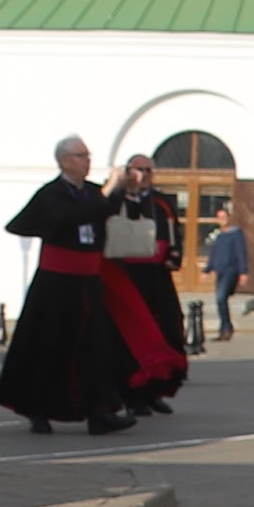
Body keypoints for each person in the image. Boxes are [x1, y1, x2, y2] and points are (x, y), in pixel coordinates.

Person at [0, 135, 154, 435]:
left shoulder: (91, 192)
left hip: (88, 282)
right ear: (65, 161)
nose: (87, 161)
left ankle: (99, 413)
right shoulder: (51, 194)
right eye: (81, 155)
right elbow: (74, 216)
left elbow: (108, 211)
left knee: (97, 347)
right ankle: (39, 410)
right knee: (49, 346)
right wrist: (107, 192)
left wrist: (126, 189)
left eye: (88, 155)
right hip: (55, 284)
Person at [100, 155, 191, 410]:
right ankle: (130, 395)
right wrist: (120, 189)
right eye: (138, 170)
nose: (143, 175)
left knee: (167, 330)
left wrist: (174, 256)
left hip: (156, 277)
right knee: (129, 335)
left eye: (148, 170)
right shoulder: (114, 199)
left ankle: (154, 391)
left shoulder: (160, 201)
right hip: (125, 275)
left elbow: (173, 231)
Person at [197, 202, 252, 339]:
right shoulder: (219, 236)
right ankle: (224, 329)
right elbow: (214, 255)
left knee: (221, 298)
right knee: (220, 301)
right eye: (219, 218)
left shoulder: (236, 233)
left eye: (224, 217)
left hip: (230, 270)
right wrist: (206, 270)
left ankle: (227, 328)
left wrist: (243, 272)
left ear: (229, 218)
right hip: (220, 271)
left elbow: (241, 252)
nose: (222, 220)